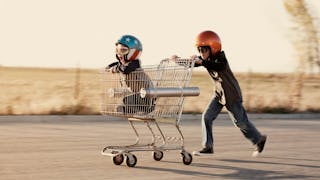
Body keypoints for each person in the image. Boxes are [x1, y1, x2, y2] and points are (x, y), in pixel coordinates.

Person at [174, 30, 266, 156]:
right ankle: (208, 147)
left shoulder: (220, 58)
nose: (201, 53)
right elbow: (193, 63)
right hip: (219, 94)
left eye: (203, 50)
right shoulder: (206, 59)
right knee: (206, 117)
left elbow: (219, 67)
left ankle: (259, 140)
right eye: (199, 50)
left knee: (240, 122)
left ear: (213, 48)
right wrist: (178, 60)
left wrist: (202, 62)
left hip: (231, 94)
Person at [106, 35, 155, 114]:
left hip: (146, 95)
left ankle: (146, 110)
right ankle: (132, 110)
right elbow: (118, 64)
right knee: (124, 103)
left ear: (133, 52)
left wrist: (115, 69)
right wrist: (109, 67)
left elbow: (125, 69)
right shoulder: (126, 63)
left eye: (123, 50)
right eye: (117, 50)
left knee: (126, 100)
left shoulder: (135, 63)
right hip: (139, 94)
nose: (119, 54)